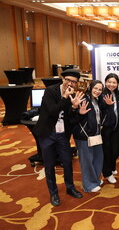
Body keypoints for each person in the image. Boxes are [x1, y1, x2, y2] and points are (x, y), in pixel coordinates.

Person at [33, 68, 83, 206]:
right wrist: (65, 98)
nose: (71, 84)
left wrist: (74, 108)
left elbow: (71, 118)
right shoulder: (50, 91)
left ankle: (70, 187)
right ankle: (53, 193)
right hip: (47, 134)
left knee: (67, 162)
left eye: (74, 82)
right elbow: (53, 111)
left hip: (62, 134)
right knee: (49, 165)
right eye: (68, 80)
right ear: (63, 79)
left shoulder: (73, 94)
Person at [71, 80, 108, 193]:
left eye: (100, 89)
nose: (97, 91)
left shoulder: (97, 100)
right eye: (95, 88)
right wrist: (79, 113)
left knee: (98, 158)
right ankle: (89, 185)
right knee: (87, 161)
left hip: (95, 134)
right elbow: (72, 119)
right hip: (84, 136)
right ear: (90, 87)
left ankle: (95, 179)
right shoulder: (83, 99)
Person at [101, 73, 119, 184]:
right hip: (106, 128)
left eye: (114, 82)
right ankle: (107, 173)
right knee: (107, 151)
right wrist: (106, 104)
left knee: (115, 150)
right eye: (109, 82)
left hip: (116, 127)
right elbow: (100, 109)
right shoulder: (102, 94)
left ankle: (112, 168)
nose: (111, 84)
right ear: (105, 82)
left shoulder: (117, 94)